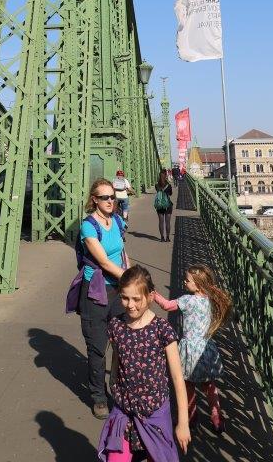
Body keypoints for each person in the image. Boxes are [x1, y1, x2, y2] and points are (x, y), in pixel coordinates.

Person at [98, 265, 191, 461]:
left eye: (136, 299)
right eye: (125, 298)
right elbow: (117, 359)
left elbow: (177, 377)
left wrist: (183, 423)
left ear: (151, 296)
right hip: (124, 410)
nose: (130, 305)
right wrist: (114, 384)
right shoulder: (116, 325)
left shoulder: (162, 329)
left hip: (154, 412)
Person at [153, 264, 232, 433]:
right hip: (206, 348)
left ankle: (191, 416)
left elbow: (167, 306)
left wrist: (154, 294)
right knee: (209, 385)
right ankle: (217, 418)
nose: (184, 282)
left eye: (187, 280)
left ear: (197, 284)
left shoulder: (187, 300)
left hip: (190, 350)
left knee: (187, 384)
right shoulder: (211, 299)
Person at [76, 179, 129, 419]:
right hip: (96, 292)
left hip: (118, 290)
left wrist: (131, 273)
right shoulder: (88, 227)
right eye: (105, 197)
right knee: (97, 347)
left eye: (113, 197)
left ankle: (118, 388)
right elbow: (105, 262)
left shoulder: (117, 221)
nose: (110, 201)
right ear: (94, 200)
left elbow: (122, 253)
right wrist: (134, 280)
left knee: (123, 342)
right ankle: (99, 397)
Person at [154, 169, 173, 242]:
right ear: (165, 176)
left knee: (161, 222)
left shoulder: (156, 185)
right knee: (167, 222)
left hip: (159, 205)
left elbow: (158, 191)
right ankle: (167, 238)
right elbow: (170, 194)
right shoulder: (169, 185)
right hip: (168, 205)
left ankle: (162, 238)